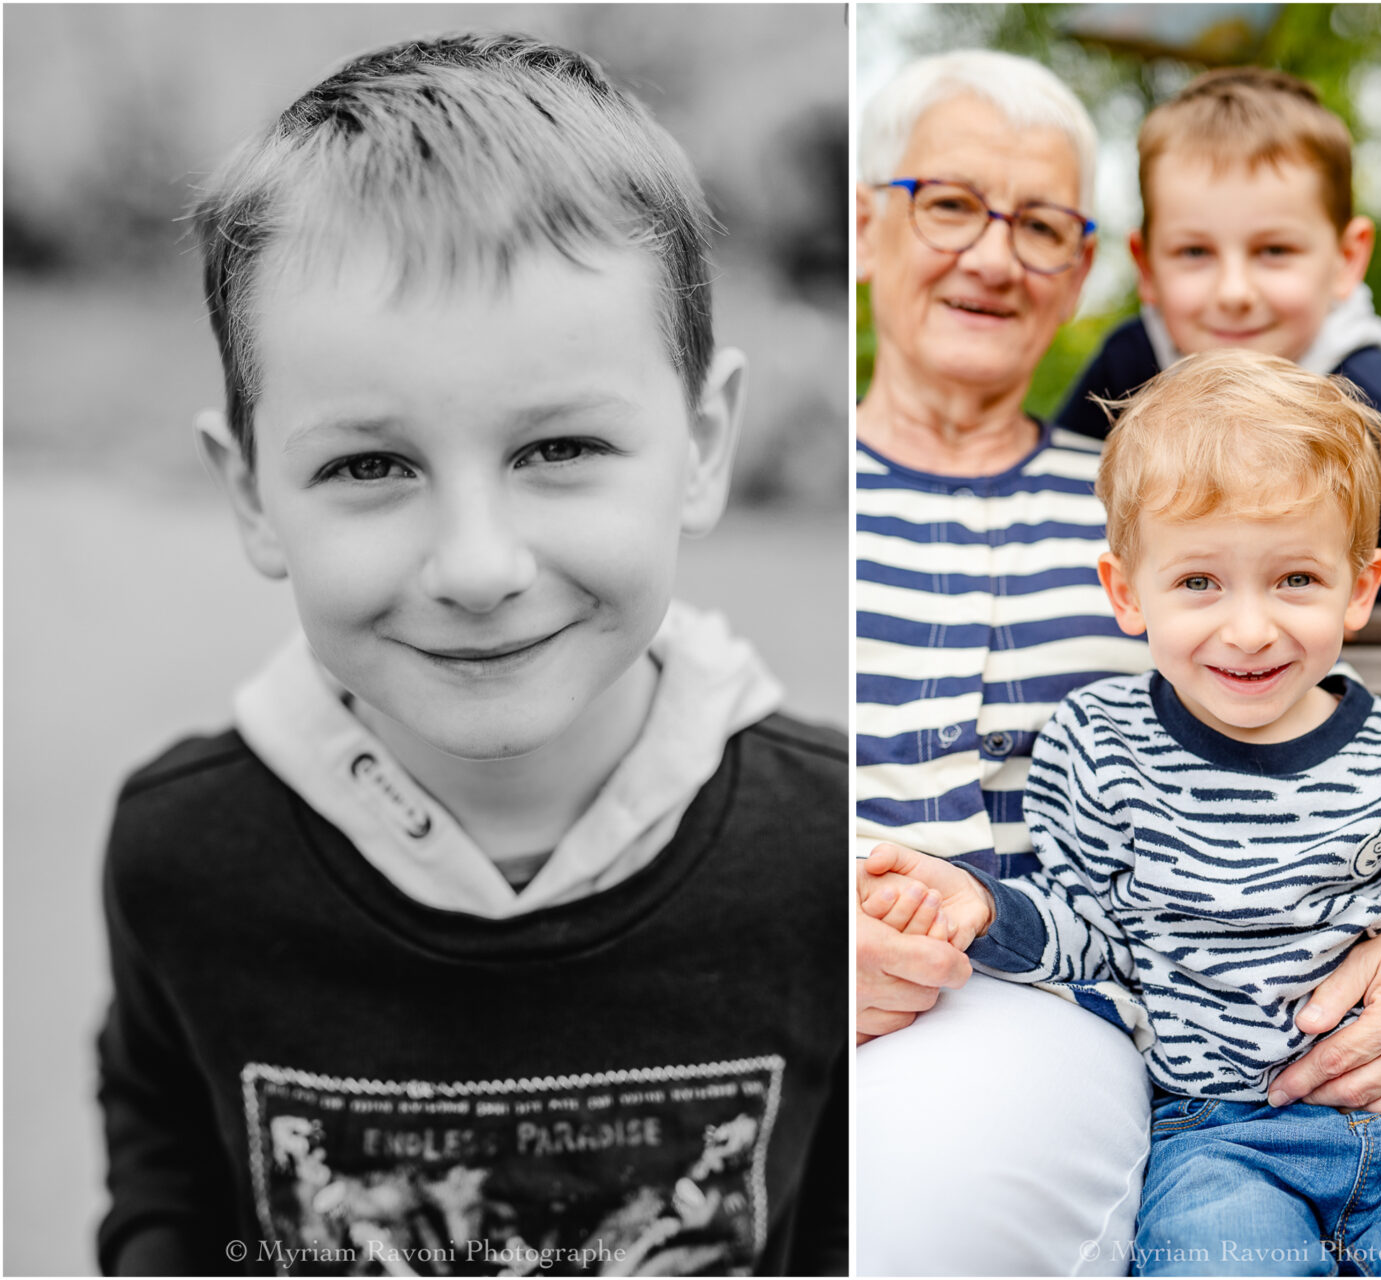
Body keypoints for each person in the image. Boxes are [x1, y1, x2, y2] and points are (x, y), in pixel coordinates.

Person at [97, 34, 845, 1275]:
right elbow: (164, 1177)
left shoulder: (826, 849)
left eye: (557, 448)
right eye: (369, 465)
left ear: (704, 445)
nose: (478, 562)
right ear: (250, 494)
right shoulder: (180, 854)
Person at [856, 50, 1381, 1276]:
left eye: (1043, 225)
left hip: (1040, 997)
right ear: (862, 223)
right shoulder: (774, 496)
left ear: (1086, 261)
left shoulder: (1177, 520)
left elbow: (1332, 730)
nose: (994, 257)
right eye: (948, 204)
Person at [864, 348, 1381, 1279]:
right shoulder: (1093, 748)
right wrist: (984, 911)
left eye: (1296, 580)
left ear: (1361, 587)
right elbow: (1098, 943)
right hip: (1218, 1138)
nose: (1252, 628)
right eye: (1199, 583)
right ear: (1125, 593)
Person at [1048, 66, 1381, 605]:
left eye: (1274, 251)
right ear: (1146, 267)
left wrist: (1306, 592)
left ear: (1346, 259)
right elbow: (1064, 489)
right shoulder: (1132, 365)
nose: (1234, 291)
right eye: (1195, 253)